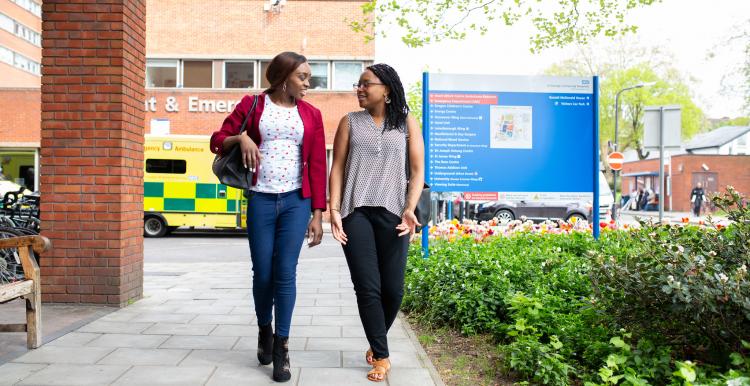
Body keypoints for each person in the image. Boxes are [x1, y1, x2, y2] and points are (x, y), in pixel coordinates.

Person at [209, 51, 327, 383]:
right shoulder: (251, 105)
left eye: (309, 77)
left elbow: (318, 164)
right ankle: (265, 329)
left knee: (285, 273)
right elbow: (216, 141)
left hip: (295, 202)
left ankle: (282, 347)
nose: (308, 82)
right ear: (282, 77)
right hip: (260, 200)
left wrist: (318, 213)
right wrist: (241, 137)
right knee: (263, 274)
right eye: (302, 76)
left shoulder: (312, 114)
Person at [328, 63, 425, 382]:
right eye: (358, 84)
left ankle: (375, 339)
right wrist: (335, 209)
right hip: (356, 212)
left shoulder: (407, 123)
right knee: (367, 287)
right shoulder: (350, 122)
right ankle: (381, 356)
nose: (359, 88)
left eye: (366, 84)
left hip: (395, 214)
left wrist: (410, 208)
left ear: (386, 88)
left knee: (393, 290)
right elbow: (338, 168)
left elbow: (416, 170)